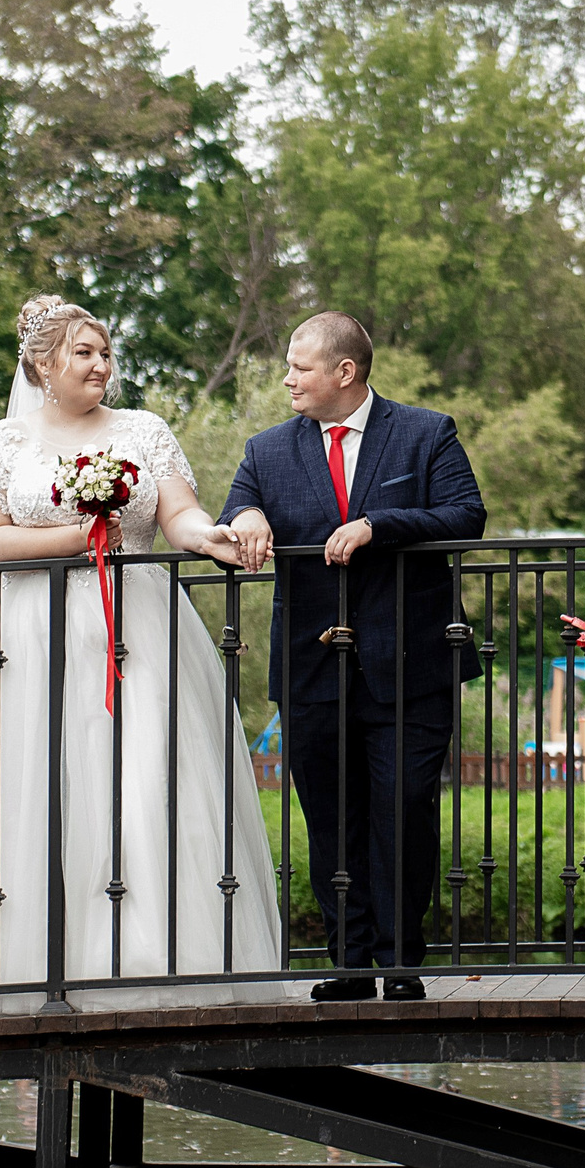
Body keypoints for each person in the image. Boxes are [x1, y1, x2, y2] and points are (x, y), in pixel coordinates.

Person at [0, 296, 279, 992]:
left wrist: (208, 536)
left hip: (136, 627)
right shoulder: (3, 441)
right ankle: (27, 966)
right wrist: (78, 539)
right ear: (43, 365)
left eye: (105, 353)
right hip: (29, 634)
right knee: (33, 784)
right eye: (85, 353)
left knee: (145, 779)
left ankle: (150, 959)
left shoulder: (143, 430)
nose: (101, 365)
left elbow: (178, 512)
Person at [220, 312, 486, 1001]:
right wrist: (246, 517)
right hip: (312, 671)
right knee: (331, 821)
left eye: (300, 366)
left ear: (346, 372)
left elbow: (466, 514)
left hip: (413, 663)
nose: (288, 378)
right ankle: (351, 963)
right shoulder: (267, 449)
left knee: (404, 809)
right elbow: (238, 507)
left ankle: (400, 962)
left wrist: (379, 525)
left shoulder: (427, 432)